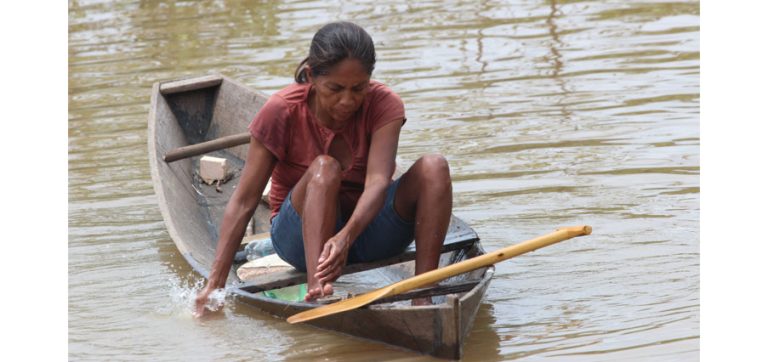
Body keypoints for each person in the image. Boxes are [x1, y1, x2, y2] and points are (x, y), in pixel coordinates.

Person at [194, 21, 453, 317]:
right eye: (335, 88)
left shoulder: (385, 105)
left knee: (435, 167)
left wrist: (345, 237)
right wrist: (214, 285)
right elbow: (243, 202)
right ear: (310, 77)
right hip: (299, 243)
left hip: (367, 232)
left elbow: (379, 182)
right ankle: (317, 292)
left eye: (359, 89)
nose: (348, 100)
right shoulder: (281, 111)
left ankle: (423, 295)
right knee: (324, 168)